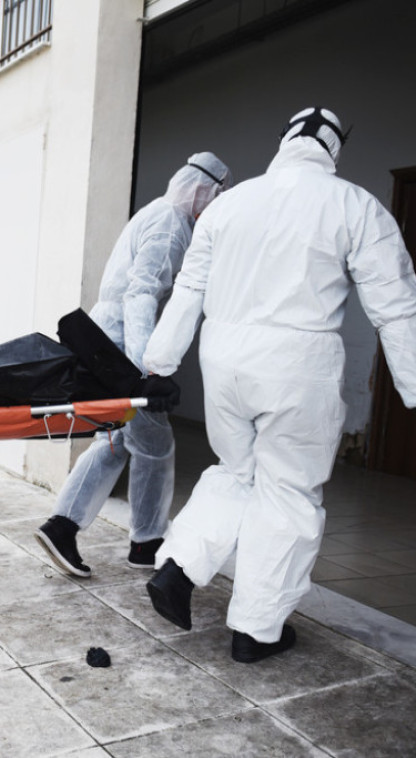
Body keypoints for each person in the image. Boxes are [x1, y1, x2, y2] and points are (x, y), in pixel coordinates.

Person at [142, 107, 416, 663]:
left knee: (235, 470)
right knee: (288, 491)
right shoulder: (355, 205)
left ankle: (178, 568)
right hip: (298, 365)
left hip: (225, 362)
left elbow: (190, 287)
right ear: (334, 147)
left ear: (284, 140)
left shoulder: (232, 203)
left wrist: (160, 361)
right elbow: (396, 305)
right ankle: (256, 631)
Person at [35, 152, 232, 578]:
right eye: (216, 195)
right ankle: (139, 540)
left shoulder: (156, 213)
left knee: (116, 442)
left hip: (109, 343)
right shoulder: (170, 225)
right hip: (122, 348)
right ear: (204, 191)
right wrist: (148, 372)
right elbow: (140, 296)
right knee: (154, 445)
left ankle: (75, 528)